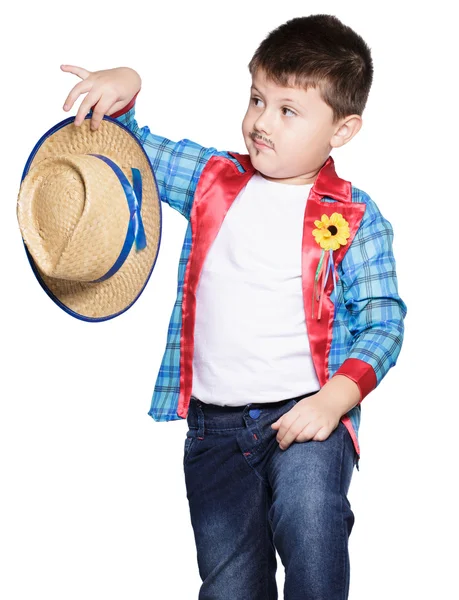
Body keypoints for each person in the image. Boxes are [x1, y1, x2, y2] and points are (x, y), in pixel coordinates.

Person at [61, 13, 407, 600]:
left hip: (307, 417)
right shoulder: (211, 179)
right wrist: (126, 83)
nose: (261, 123)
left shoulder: (353, 216)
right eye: (256, 99)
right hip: (214, 428)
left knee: (312, 530)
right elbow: (133, 154)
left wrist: (335, 399)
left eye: (288, 110)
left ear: (342, 130)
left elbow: (383, 320)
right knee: (229, 584)